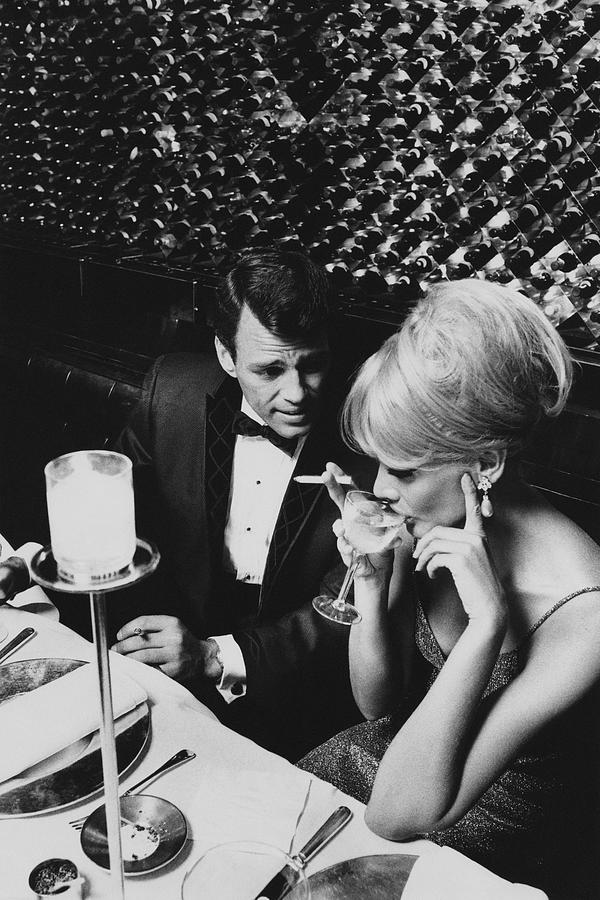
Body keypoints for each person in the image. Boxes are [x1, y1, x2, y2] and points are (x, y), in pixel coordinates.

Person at [297, 279, 600, 898]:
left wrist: (487, 628)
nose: (380, 487)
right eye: (378, 463)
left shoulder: (585, 612)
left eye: (403, 470)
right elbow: (376, 706)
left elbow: (401, 814)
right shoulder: (437, 519)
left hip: (478, 835)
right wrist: (372, 580)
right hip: (386, 760)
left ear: (484, 464)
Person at [110, 249, 365, 759]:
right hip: (168, 663)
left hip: (302, 698)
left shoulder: (370, 429)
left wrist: (213, 656)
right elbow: (112, 513)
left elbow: (352, 604)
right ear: (226, 356)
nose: (297, 393)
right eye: (269, 369)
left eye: (312, 365)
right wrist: (36, 558)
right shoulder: (172, 392)